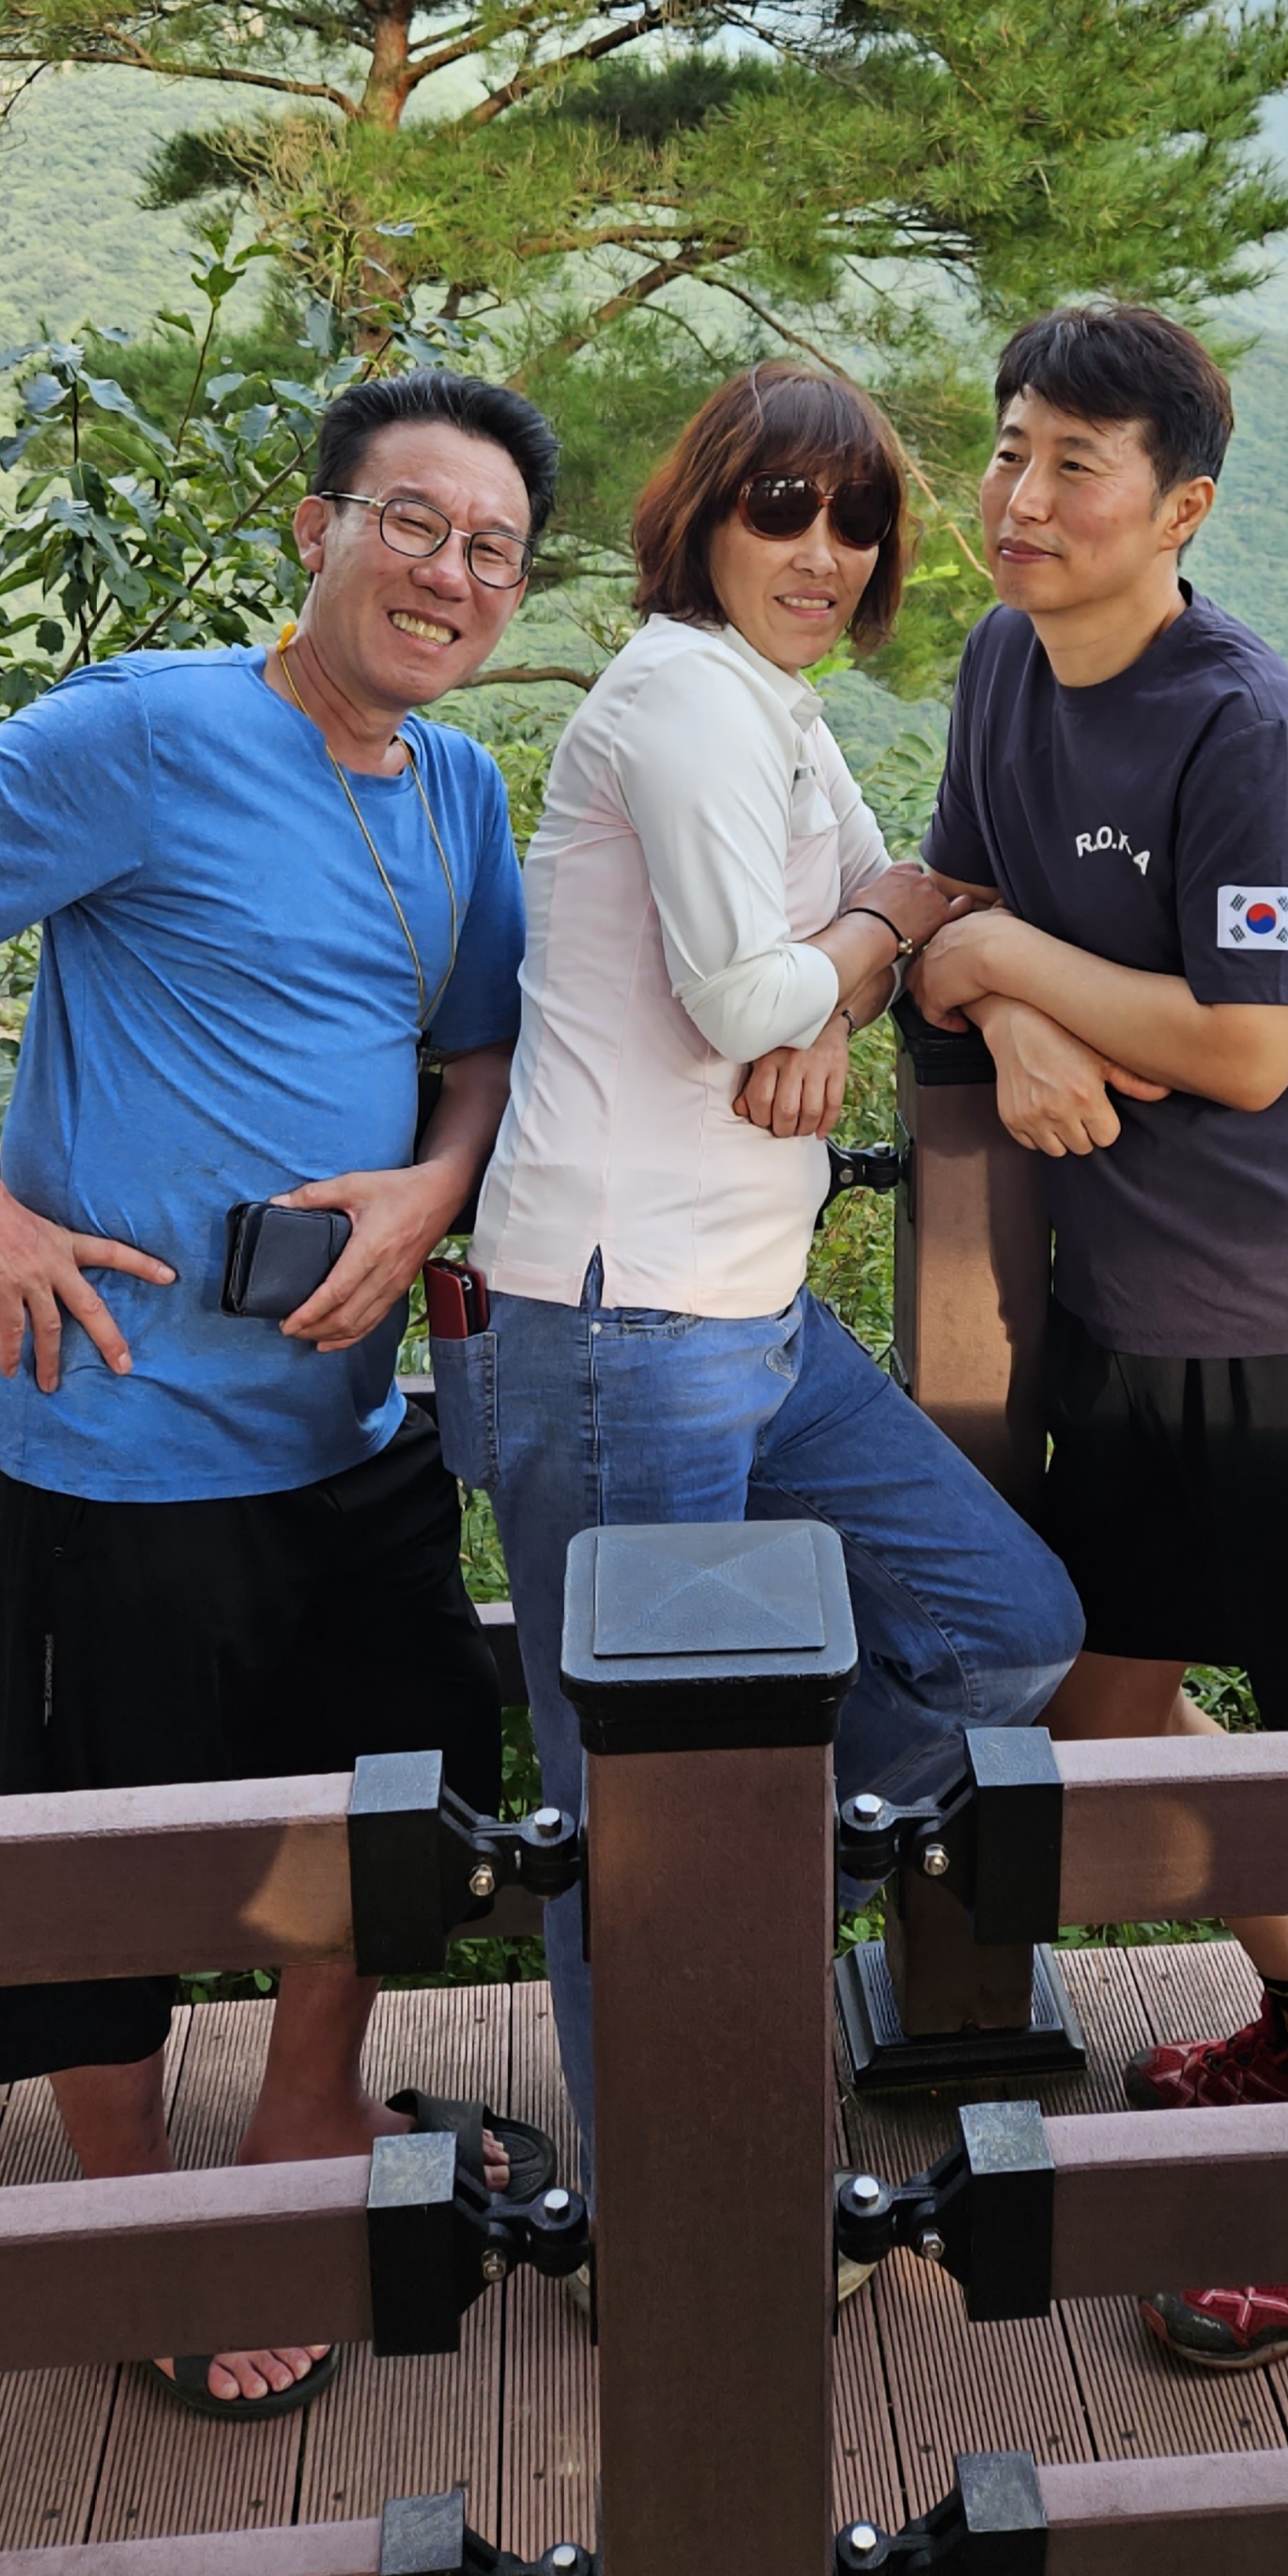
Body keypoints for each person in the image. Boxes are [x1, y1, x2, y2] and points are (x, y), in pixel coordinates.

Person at [0, 370, 555, 2418]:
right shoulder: (153, 726)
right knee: (103, 1849)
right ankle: (136, 2214)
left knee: (399, 1779)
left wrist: (436, 1184)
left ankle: (302, 2126)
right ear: (317, 529)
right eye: (411, 520)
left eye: (492, 547)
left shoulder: (457, 787)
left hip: (345, 1417)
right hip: (107, 1421)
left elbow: (479, 1051)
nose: (448, 571)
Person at [908, 301, 1288, 2377]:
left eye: (1077, 463)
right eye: (1009, 447)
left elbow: (1246, 1047)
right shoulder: (1004, 666)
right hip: (1126, 1331)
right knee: (1102, 1705)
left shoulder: (1251, 735)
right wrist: (1007, 994)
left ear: (1183, 507)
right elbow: (940, 894)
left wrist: (994, 952)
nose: (1021, 495)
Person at [460, 360, 1086, 2165]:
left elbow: (907, 908)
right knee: (633, 1787)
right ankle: (667, 2210)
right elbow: (771, 981)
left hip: (750, 1310)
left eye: (859, 517)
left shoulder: (770, 704)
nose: (826, 548)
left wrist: (852, 975)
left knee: (1004, 1627)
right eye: (783, 508)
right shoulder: (682, 700)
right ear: (705, 518)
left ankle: (747, 1867)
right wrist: (855, 948)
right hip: (618, 1320)